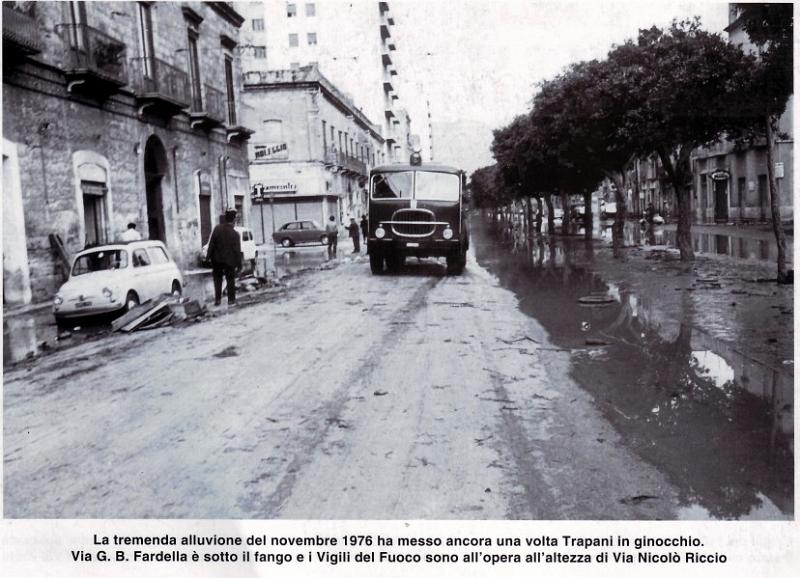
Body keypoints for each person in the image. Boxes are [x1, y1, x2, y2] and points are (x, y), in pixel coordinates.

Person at [207, 209, 242, 306]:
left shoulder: (217, 229)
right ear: (234, 219)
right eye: (236, 218)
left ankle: (217, 300)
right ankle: (231, 300)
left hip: (216, 260)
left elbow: (211, 244)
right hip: (229, 262)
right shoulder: (235, 234)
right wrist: (239, 265)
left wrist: (208, 258)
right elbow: (237, 251)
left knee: (217, 280)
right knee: (230, 280)